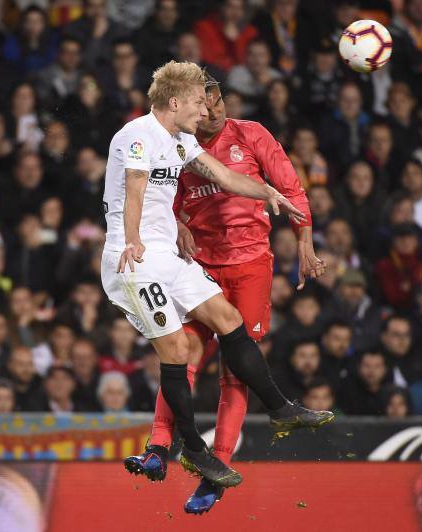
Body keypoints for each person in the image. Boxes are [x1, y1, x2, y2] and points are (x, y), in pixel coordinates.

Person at [100, 61, 332, 491]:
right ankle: (190, 447)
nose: (203, 111)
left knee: (229, 322)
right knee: (177, 350)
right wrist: (132, 239)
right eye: (195, 102)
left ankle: (280, 408)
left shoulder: (180, 142)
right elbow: (134, 188)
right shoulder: (137, 136)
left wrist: (267, 192)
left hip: (169, 259)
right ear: (174, 102)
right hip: (134, 261)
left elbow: (224, 176)